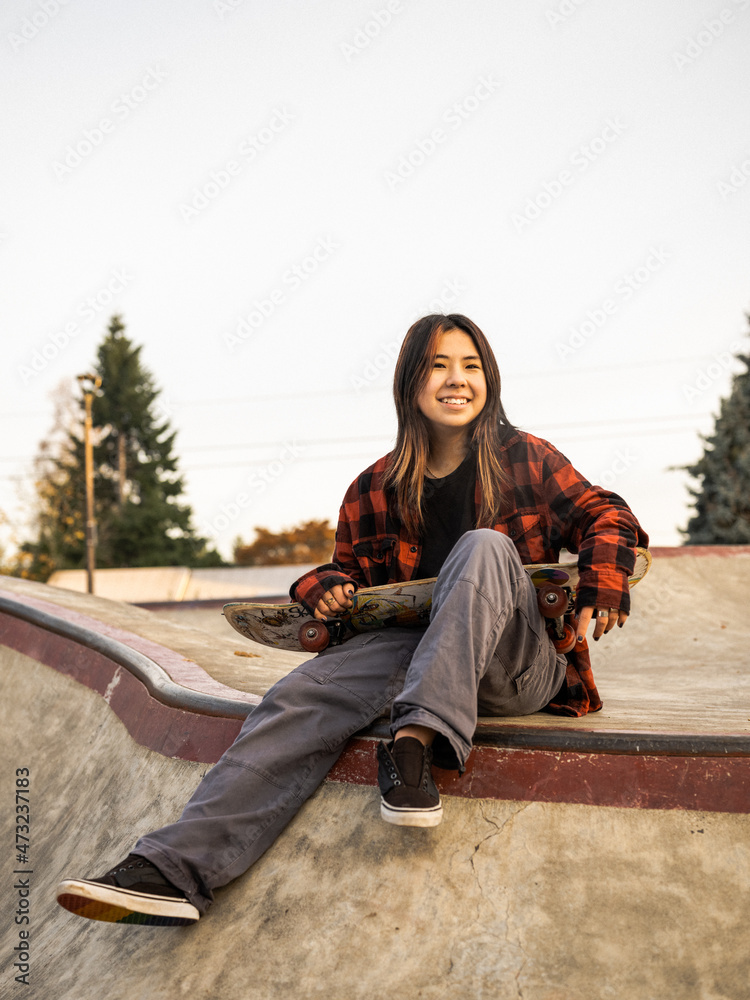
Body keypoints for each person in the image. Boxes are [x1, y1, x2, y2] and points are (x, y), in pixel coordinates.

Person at [56, 313, 647, 926]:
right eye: (439, 365)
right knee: (299, 696)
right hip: (413, 654)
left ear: (489, 381)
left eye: (471, 367)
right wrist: (322, 587)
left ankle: (415, 746)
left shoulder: (526, 457)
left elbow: (608, 514)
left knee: (484, 546)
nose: (457, 380)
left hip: (515, 669)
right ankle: (176, 870)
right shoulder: (373, 487)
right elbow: (356, 597)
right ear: (411, 383)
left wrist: (603, 581)